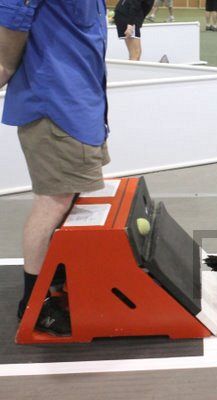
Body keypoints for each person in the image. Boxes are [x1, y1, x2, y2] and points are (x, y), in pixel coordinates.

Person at [0, 0, 111, 336]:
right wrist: (4, 65)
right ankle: (36, 305)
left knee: (67, 196)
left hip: (81, 99)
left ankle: (57, 283)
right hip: (56, 100)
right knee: (53, 201)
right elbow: (12, 12)